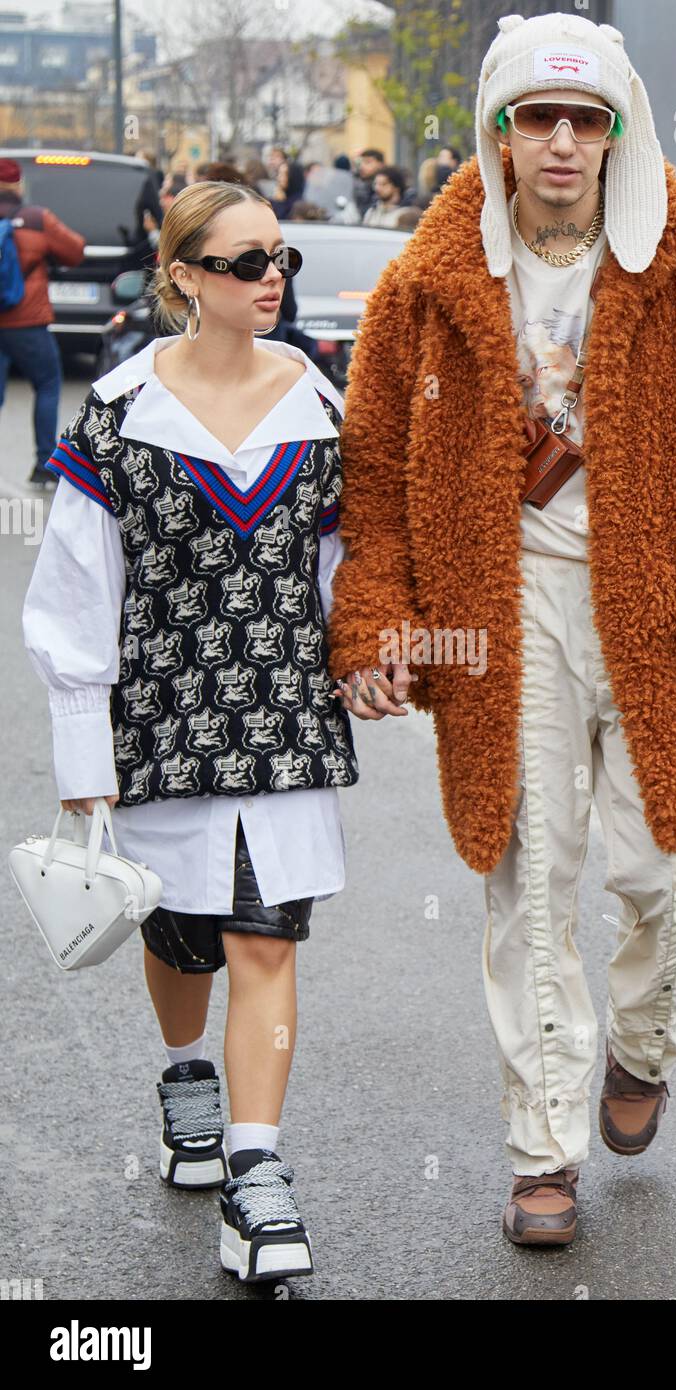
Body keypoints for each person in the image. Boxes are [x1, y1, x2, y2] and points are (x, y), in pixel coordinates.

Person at [325, 12, 676, 1248]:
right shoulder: (431, 276)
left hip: (660, 601)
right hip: (501, 611)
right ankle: (540, 1150)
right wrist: (379, 614)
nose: (558, 142)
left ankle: (642, 1044)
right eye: (533, 117)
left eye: (582, 119)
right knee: (528, 878)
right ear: (496, 128)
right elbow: (373, 465)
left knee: (674, 882)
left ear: (614, 128)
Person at [21, 180, 359, 1283]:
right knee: (181, 937)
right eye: (247, 261)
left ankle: (255, 1179)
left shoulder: (315, 399)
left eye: (281, 259)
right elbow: (75, 591)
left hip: (282, 716)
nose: (273, 279)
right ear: (184, 278)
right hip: (160, 720)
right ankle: (185, 1078)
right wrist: (83, 753)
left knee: (265, 935)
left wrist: (373, 649)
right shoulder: (118, 415)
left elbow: (338, 565)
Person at [0, 157, 85, 489]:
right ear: (19, 185)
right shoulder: (36, 219)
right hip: (26, 322)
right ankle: (43, 464)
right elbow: (75, 251)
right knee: (48, 384)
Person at [353, 148, 385, 217]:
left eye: (367, 162)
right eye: (361, 163)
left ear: (380, 165)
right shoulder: (355, 182)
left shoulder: (387, 187)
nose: (362, 166)